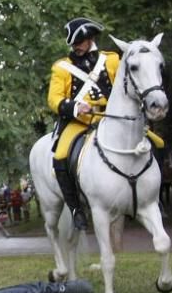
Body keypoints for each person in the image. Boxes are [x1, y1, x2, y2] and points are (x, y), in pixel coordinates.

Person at [47, 17, 120, 230]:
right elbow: (54, 99)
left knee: (146, 140)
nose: (76, 47)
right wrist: (77, 108)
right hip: (79, 122)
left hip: (110, 118)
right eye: (74, 43)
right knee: (60, 156)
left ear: (90, 39)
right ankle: (76, 209)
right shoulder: (61, 68)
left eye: (80, 42)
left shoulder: (112, 59)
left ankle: (151, 196)